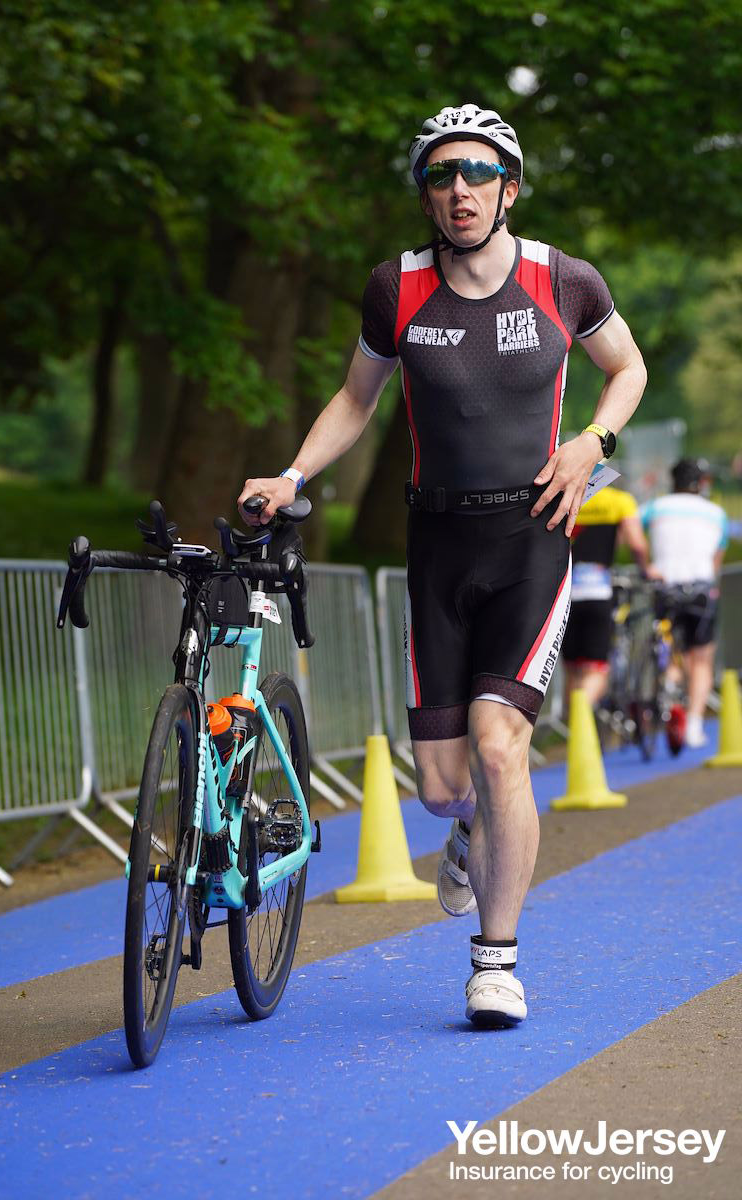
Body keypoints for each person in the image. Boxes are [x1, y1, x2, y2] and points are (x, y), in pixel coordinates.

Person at [237, 103, 647, 1028]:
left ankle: (495, 964)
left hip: (533, 535)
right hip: (437, 544)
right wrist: (291, 474)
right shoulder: (397, 288)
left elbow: (628, 369)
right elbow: (356, 399)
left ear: (509, 188)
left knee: (501, 745)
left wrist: (593, 440)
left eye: (478, 173)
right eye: (440, 175)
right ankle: (470, 830)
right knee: (442, 788)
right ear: (425, 194)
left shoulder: (563, 279)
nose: (459, 190)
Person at [640, 458, 728, 748]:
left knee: (669, 648)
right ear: (702, 483)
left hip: (665, 586)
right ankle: (694, 725)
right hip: (700, 588)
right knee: (701, 659)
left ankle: (669, 682)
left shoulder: (655, 507)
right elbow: (716, 560)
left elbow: (632, 531)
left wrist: (646, 564)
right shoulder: (716, 513)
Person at [562, 484, 650, 708]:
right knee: (597, 669)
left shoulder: (565, 495)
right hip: (598, 590)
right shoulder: (619, 500)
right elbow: (637, 544)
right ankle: (580, 719)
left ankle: (572, 722)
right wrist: (647, 570)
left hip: (564, 592)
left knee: (572, 669)